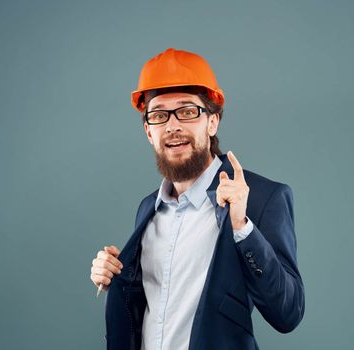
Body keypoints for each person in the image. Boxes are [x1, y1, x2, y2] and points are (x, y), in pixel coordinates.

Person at [90, 48, 305, 350]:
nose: (173, 125)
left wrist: (242, 226)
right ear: (148, 132)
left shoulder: (261, 198)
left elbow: (289, 312)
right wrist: (113, 272)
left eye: (188, 111)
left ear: (213, 122)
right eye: (159, 115)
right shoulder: (148, 209)